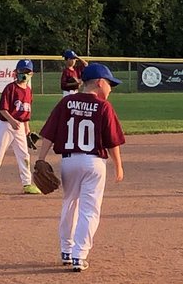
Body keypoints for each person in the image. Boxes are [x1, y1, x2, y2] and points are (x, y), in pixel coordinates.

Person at [32, 62, 126, 272]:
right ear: (100, 83)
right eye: (110, 84)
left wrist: (41, 158)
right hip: (93, 163)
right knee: (89, 210)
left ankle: (66, 250)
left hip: (69, 161)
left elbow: (49, 132)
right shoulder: (103, 106)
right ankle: (79, 255)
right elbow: (112, 141)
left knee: (69, 205)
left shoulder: (66, 102)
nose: (110, 89)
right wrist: (118, 166)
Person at [0, 59, 42, 196]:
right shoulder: (10, 88)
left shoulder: (28, 91)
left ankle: (27, 183)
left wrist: (27, 128)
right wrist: (12, 120)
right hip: (6, 125)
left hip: (20, 127)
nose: (24, 75)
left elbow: (27, 112)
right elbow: (2, 109)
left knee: (24, 155)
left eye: (27, 72)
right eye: (21, 72)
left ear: (31, 74)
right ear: (16, 73)